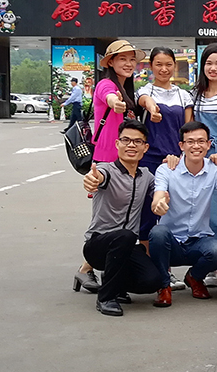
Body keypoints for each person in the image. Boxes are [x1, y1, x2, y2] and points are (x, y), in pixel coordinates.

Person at [75, 39, 145, 293]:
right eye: (122, 59)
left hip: (124, 162)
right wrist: (116, 103)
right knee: (104, 219)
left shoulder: (127, 89)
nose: (128, 63)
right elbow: (110, 97)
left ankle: (104, 268)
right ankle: (85, 269)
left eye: (131, 59)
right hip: (106, 163)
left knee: (120, 215)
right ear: (111, 62)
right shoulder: (107, 85)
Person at [148, 121, 217, 308]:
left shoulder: (216, 170)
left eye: (201, 141)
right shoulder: (166, 169)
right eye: (190, 142)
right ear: (181, 145)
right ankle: (164, 286)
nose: (196, 146)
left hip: (198, 240)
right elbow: (158, 196)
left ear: (209, 144)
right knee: (158, 232)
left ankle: (194, 277)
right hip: (171, 242)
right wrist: (159, 205)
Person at [81, 119, 162, 316]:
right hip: (98, 245)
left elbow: (160, 192)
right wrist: (92, 180)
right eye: (126, 140)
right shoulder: (107, 170)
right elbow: (97, 177)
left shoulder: (146, 176)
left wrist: (162, 198)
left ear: (145, 147)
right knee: (125, 235)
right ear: (117, 144)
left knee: (152, 281)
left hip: (126, 248)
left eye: (137, 141)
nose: (131, 145)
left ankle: (114, 283)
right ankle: (106, 297)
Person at [135, 48, 194, 270]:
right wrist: (152, 109)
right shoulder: (145, 90)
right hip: (149, 160)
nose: (164, 69)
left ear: (174, 66)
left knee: (172, 212)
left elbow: (188, 129)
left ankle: (166, 267)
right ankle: (152, 268)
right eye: (158, 64)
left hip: (175, 161)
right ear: (151, 66)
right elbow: (145, 101)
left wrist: (184, 157)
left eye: (168, 64)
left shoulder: (183, 95)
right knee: (148, 212)